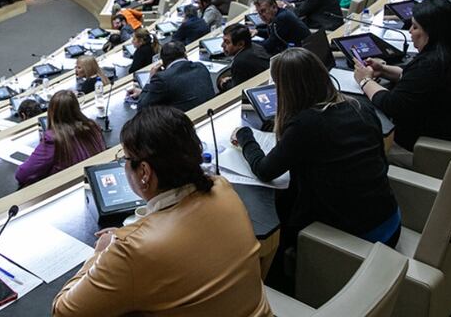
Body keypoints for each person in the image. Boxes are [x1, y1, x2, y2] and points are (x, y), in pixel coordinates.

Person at [52, 106, 272, 316]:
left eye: (125, 159)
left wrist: (101, 252)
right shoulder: (222, 187)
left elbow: (64, 311)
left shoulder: (132, 248)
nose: (124, 165)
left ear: (145, 172)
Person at [232, 48, 400, 251]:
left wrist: (245, 137)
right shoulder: (360, 106)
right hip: (390, 221)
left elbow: (265, 170)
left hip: (360, 239)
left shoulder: (305, 125)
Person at [353, 0, 451, 157]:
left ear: (432, 33)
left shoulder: (431, 65)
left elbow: (393, 105)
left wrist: (364, 80)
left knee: (363, 149)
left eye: (415, 27)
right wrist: (383, 70)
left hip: (435, 153)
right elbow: (420, 81)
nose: (410, 31)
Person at [15, 91, 106, 187]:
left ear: (51, 112)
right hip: (94, 183)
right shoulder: (92, 126)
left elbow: (22, 174)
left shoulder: (53, 138)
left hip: (67, 188)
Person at [130, 42, 215, 112]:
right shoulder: (201, 66)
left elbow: (142, 107)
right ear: (185, 54)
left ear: (162, 61)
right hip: (209, 115)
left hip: (182, 125)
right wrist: (144, 92)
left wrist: (150, 79)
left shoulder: (162, 78)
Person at [218, 23, 270, 91]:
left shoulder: (240, 61)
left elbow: (236, 91)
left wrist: (224, 83)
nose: (222, 45)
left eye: (227, 42)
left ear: (240, 44)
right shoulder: (256, 46)